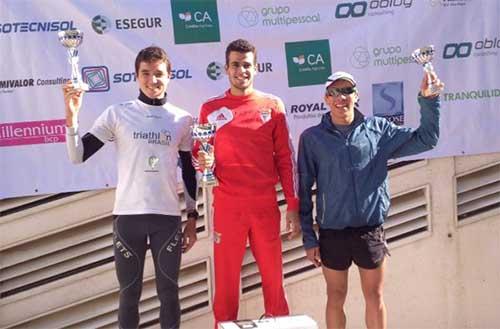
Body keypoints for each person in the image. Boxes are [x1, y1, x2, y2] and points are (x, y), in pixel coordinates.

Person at [62, 46, 198, 329]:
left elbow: (189, 171)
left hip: (167, 219)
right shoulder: (117, 114)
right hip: (128, 217)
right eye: (146, 74)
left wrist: (193, 218)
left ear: (170, 76)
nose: (152, 80)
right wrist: (71, 117)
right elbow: (78, 156)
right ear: (136, 77)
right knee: (129, 296)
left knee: (170, 294)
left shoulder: (183, 119)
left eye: (159, 74)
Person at [298, 70, 444, 329]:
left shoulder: (378, 129)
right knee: (335, 296)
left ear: (356, 95)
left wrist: (429, 100)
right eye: (334, 92)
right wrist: (309, 238)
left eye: (346, 91)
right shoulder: (311, 138)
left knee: (374, 296)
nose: (341, 97)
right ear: (326, 99)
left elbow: (427, 139)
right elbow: (304, 190)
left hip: (370, 231)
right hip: (332, 232)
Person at [194, 39, 301, 327]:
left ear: (256, 68)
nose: (242, 70)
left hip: (265, 205)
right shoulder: (210, 109)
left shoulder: (272, 105)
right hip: (228, 207)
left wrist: (293, 206)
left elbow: (285, 160)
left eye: (247, 65)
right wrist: (203, 163)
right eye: (236, 65)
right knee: (226, 284)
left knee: (273, 280)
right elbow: (200, 155)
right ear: (226, 69)